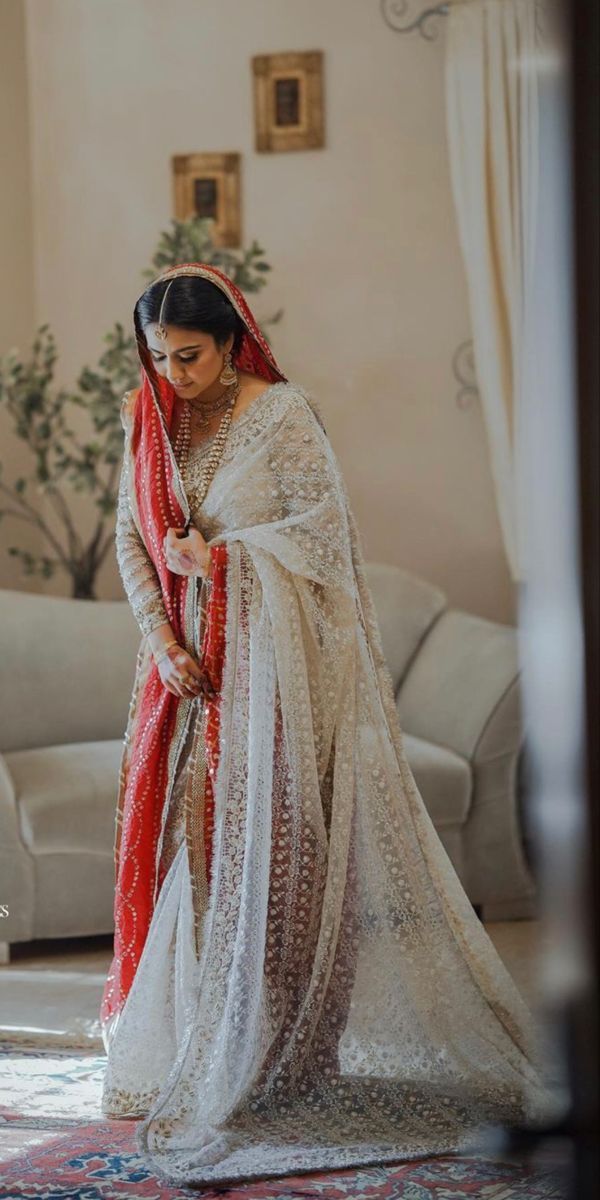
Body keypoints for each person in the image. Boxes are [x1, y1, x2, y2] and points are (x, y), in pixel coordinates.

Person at [100, 263, 560, 1188]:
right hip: (184, 681)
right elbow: (129, 537)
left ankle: (287, 1061)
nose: (173, 373)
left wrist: (222, 558)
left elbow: (321, 546)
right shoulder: (149, 413)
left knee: (282, 867)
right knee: (196, 861)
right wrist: (163, 639)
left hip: (276, 683)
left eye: (189, 356)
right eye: (158, 357)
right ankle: (213, 1048)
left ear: (233, 344)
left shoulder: (283, 417)